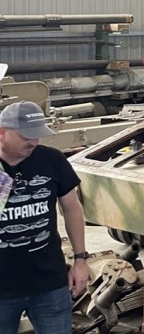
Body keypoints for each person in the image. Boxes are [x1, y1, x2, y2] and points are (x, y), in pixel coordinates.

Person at [0, 102, 89, 334]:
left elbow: (72, 208)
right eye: (26, 136)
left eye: (38, 135)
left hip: (49, 284)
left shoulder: (52, 160)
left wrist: (80, 260)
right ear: (2, 132)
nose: (34, 142)